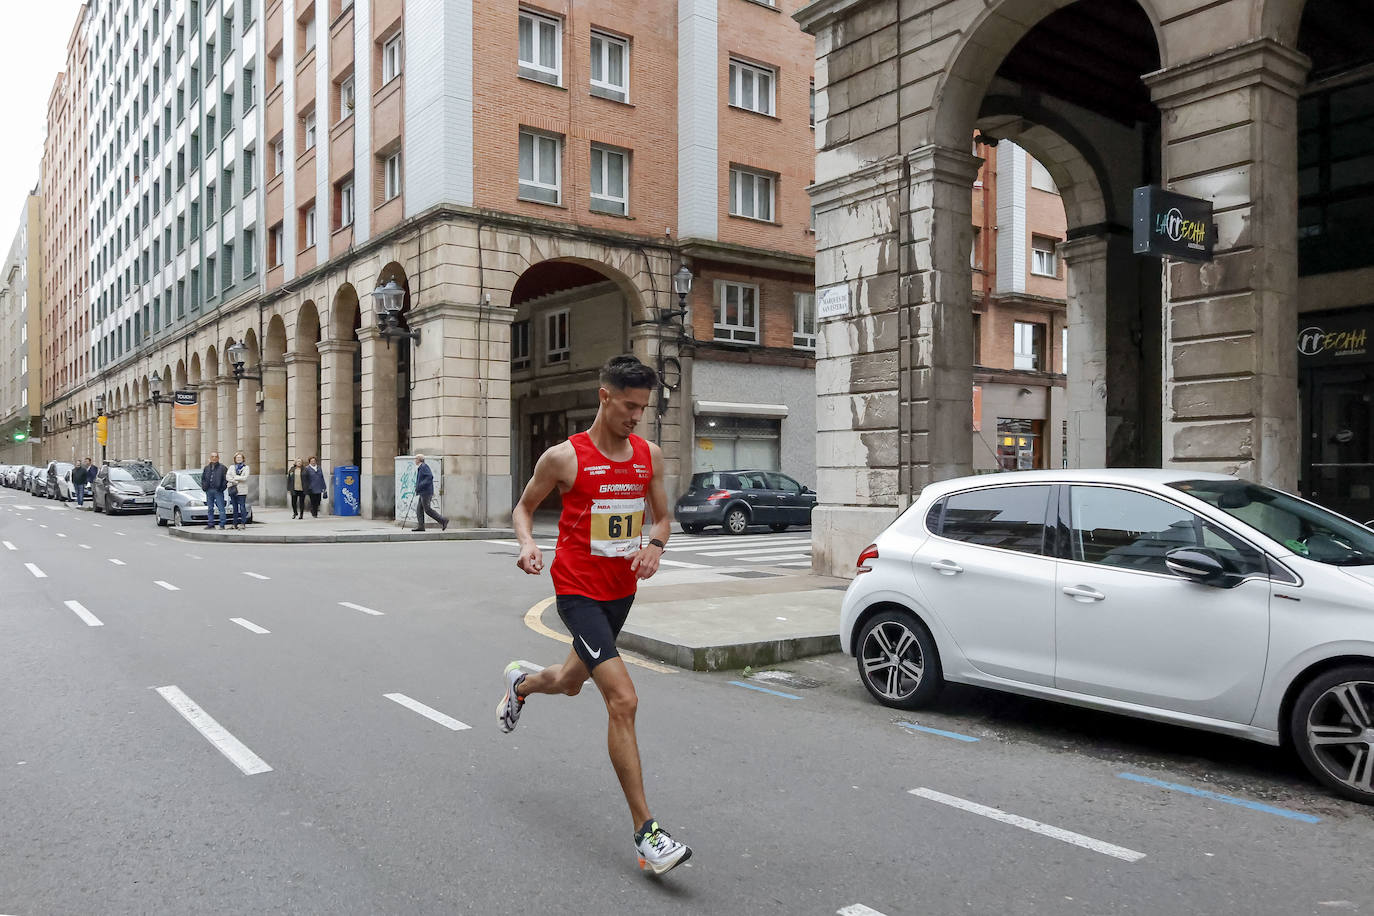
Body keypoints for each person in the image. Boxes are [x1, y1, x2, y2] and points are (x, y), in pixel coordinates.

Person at [497, 355, 690, 876]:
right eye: (629, 406)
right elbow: (523, 507)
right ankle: (646, 831)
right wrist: (525, 544)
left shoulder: (647, 454)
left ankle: (520, 686)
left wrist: (654, 545)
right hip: (577, 592)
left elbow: (664, 518)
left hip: (619, 593)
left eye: (642, 409)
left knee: (567, 680)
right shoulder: (564, 458)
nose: (636, 417)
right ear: (604, 396)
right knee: (622, 698)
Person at [410, 454, 448, 532]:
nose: (415, 460)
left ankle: (443, 520)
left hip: (426, 492)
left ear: (418, 459)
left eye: (415, 459)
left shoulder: (424, 467)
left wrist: (420, 485)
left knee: (427, 509)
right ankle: (421, 526)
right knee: (419, 510)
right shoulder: (421, 467)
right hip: (423, 492)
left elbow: (429, 477)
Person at [202, 452, 228, 529]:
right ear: (210, 458)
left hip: (218, 491)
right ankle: (211, 524)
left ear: (218, 458)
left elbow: (225, 479)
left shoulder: (222, 468)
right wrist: (204, 487)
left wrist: (221, 488)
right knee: (210, 508)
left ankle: (222, 524)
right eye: (212, 457)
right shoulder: (206, 468)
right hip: (209, 490)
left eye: (215, 456)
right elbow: (203, 478)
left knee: (221, 508)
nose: (214, 458)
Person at [227, 452, 251, 530]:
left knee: (242, 506)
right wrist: (237, 478)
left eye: (240, 458)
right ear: (235, 459)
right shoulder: (231, 467)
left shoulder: (246, 467)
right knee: (234, 507)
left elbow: (245, 478)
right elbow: (227, 477)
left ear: (243, 459)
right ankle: (234, 523)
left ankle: (243, 523)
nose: (238, 459)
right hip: (233, 489)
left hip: (242, 490)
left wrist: (235, 478)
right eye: (237, 458)